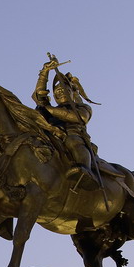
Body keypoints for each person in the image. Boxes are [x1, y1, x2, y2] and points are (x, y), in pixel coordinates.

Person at [32, 53, 100, 190]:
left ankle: (85, 172)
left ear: (71, 92)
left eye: (64, 90)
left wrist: (49, 109)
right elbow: (39, 95)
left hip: (73, 134)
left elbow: (79, 118)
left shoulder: (82, 107)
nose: (60, 92)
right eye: (57, 91)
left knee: (73, 141)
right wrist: (44, 72)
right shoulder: (49, 109)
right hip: (52, 135)